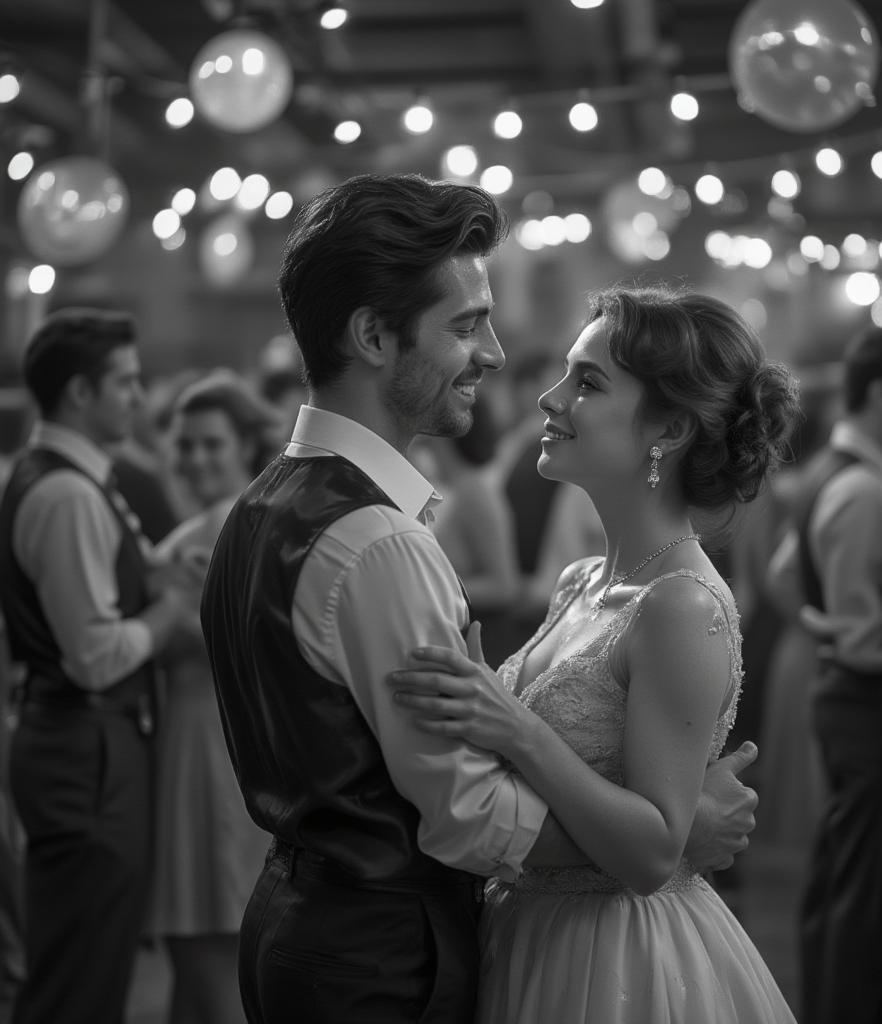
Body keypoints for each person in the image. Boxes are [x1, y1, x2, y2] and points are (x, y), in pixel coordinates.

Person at [199, 173, 761, 1024]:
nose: (501, 358)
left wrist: (658, 838)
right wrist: (673, 841)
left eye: (588, 382)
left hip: (350, 926)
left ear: (669, 432)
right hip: (382, 955)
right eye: (465, 325)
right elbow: (468, 813)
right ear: (373, 337)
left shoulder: (265, 504)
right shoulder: (381, 541)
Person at [388, 284, 801, 1023]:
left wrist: (514, 728)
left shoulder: (681, 605)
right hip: (528, 931)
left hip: (614, 961)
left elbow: (650, 854)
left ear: (667, 430)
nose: (549, 398)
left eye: (588, 382)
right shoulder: (583, 580)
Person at [0, 308, 201, 1024]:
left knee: (92, 957)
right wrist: (170, 612)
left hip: (88, 741)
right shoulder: (66, 494)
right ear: (80, 394)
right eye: (125, 382)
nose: (140, 398)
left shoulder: (73, 479)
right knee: (79, 972)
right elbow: (93, 656)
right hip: (86, 742)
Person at [779, 325, 882, 1024]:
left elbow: (786, 576)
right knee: (860, 888)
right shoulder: (864, 489)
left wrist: (822, 625)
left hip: (847, 692)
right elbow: (864, 637)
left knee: (848, 877)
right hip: (866, 700)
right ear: (881, 395)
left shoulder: (834, 471)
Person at [151, 372, 279, 1024]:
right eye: (185, 444)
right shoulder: (198, 532)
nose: (196, 458)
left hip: (216, 746)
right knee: (194, 947)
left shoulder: (238, 527)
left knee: (213, 939)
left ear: (246, 446)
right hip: (191, 740)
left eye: (211, 444)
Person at [413, 392, 521, 664]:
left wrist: (429, 592)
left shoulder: (476, 493)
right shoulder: (446, 488)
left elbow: (504, 585)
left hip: (479, 649)